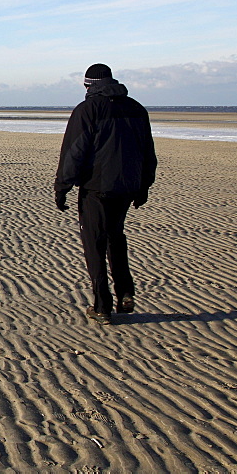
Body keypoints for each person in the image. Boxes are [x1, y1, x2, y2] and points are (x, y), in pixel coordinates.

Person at [54, 64, 157, 326]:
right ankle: (125, 293)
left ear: (89, 85)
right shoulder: (136, 108)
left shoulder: (87, 109)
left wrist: (62, 187)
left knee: (95, 243)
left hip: (97, 188)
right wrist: (143, 185)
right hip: (127, 186)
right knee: (115, 237)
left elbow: (74, 151)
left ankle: (102, 305)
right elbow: (148, 151)